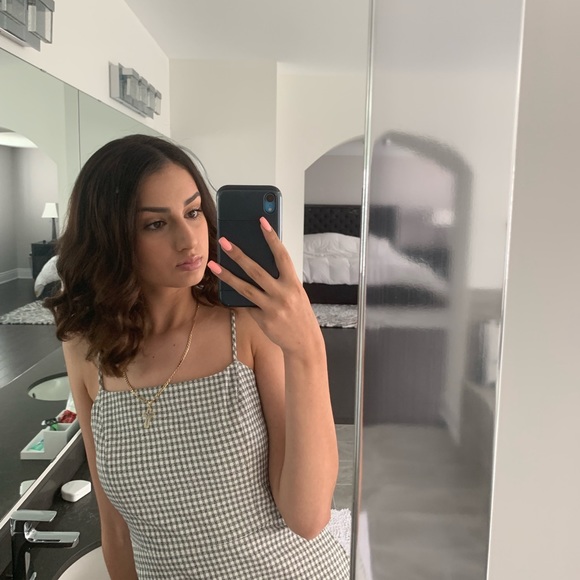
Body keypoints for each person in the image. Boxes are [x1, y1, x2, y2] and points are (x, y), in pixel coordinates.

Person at [46, 134, 350, 579]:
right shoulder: (85, 349)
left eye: (192, 213)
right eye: (156, 224)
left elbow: (307, 518)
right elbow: (116, 528)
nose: (190, 239)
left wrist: (307, 349)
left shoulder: (248, 326)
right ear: (110, 239)